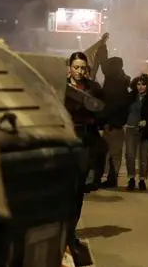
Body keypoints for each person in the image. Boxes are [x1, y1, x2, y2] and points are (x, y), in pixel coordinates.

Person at [64, 50, 106, 266]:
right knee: (64, 190)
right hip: (65, 140)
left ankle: (70, 231)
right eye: (76, 67)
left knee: (78, 190)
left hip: (86, 141)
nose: (79, 71)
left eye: (82, 68)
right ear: (69, 68)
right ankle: (63, 232)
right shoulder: (61, 87)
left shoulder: (93, 88)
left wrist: (92, 114)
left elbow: (102, 112)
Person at [124, 73, 148, 191]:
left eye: (143, 84)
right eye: (138, 84)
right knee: (130, 155)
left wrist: (147, 121)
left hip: (145, 131)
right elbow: (123, 110)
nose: (140, 87)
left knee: (144, 156)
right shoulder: (130, 97)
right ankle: (131, 178)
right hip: (130, 128)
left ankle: (142, 180)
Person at [99, 57, 132, 188]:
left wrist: (106, 121)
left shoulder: (112, 83)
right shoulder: (122, 82)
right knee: (115, 153)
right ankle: (112, 177)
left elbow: (110, 105)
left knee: (109, 152)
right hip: (117, 124)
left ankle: (110, 178)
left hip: (111, 124)